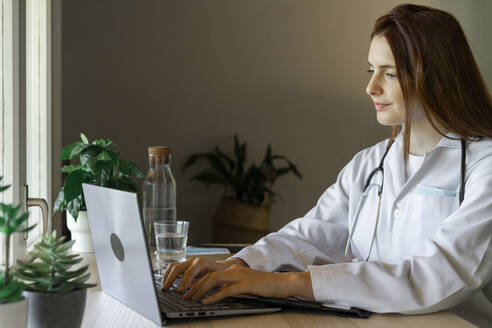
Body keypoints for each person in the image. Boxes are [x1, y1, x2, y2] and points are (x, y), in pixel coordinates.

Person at [162, 4, 492, 327]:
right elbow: (310, 235)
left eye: (389, 73)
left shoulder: (485, 165)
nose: (371, 86)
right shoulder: (370, 163)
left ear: (436, 76)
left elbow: (438, 275)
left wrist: (286, 284)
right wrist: (237, 265)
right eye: (370, 70)